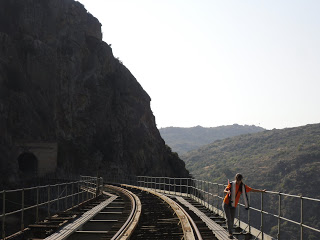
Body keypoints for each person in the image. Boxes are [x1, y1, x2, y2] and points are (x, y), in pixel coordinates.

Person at [223, 173, 266, 239]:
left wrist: (261, 191)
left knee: (232, 219)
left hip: (233, 205)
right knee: (229, 219)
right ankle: (230, 233)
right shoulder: (231, 184)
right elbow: (225, 190)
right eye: (237, 180)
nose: (238, 181)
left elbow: (251, 190)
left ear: (241, 180)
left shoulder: (243, 187)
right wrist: (227, 192)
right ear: (236, 179)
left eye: (239, 180)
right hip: (226, 203)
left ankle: (230, 230)